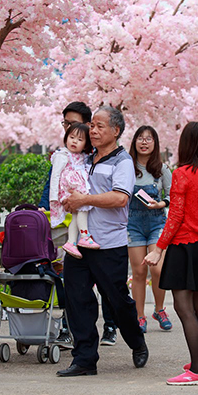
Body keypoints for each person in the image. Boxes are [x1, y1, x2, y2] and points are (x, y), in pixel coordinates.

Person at [56, 106, 148, 377]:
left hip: (109, 243)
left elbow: (120, 198)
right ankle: (84, 359)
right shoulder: (84, 157)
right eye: (91, 126)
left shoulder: (123, 162)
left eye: (99, 126)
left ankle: (137, 341)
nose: (92, 131)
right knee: (77, 299)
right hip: (79, 245)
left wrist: (84, 200)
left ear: (116, 131)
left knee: (117, 300)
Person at [143, 122, 198, 385]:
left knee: (183, 306)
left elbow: (175, 216)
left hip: (183, 246)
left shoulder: (182, 174)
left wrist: (159, 248)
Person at [38, 102, 118, 346]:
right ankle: (71, 327)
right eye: (66, 125)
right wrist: (47, 206)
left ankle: (111, 325)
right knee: (72, 278)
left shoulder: (97, 155)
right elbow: (54, 179)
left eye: (73, 124)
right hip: (72, 217)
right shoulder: (64, 154)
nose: (69, 130)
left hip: (99, 223)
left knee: (104, 280)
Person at [127, 125, 173, 333]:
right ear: (134, 141)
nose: (144, 142)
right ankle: (139, 316)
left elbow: (173, 196)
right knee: (138, 271)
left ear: (155, 143)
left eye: (149, 139)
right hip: (133, 224)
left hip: (156, 223)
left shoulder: (162, 169)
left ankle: (159, 309)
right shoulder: (126, 166)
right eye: (140, 138)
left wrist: (161, 204)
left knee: (158, 269)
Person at [49, 122, 100, 258]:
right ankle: (84, 235)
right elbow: (55, 176)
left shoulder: (82, 157)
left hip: (77, 189)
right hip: (69, 190)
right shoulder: (63, 155)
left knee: (77, 215)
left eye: (80, 140)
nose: (74, 141)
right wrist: (54, 197)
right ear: (66, 137)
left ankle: (71, 242)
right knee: (83, 208)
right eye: (72, 137)